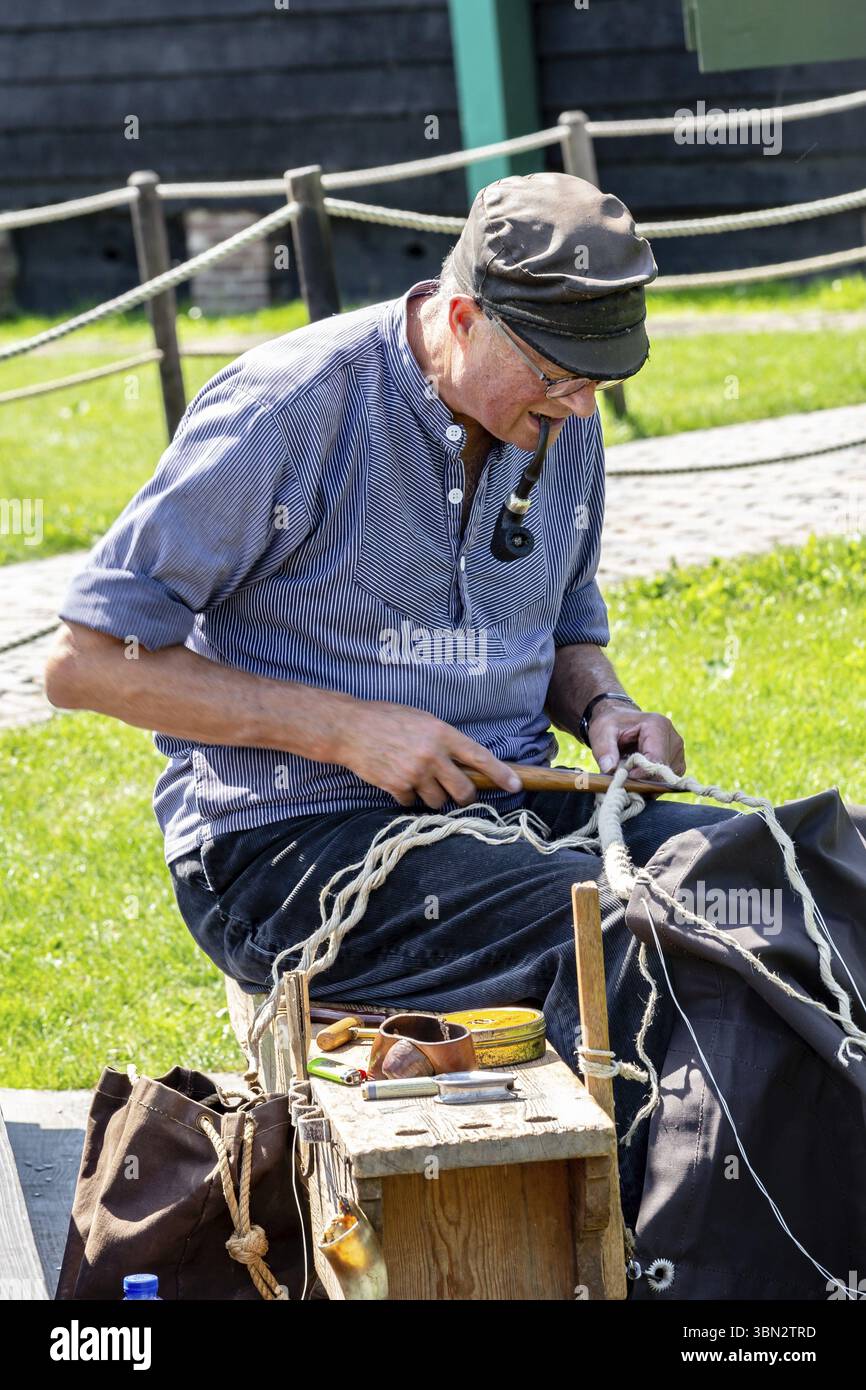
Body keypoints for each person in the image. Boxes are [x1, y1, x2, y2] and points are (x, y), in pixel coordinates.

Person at [45, 172, 739, 1227]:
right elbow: (85, 662)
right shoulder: (288, 409)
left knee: (793, 876)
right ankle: (660, 1267)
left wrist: (605, 708)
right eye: (557, 376)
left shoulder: (559, 412)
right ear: (462, 318)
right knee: (634, 940)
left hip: (505, 801)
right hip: (287, 843)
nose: (580, 407)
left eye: (599, 381)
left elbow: (563, 625)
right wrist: (346, 728)